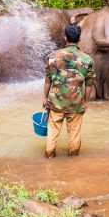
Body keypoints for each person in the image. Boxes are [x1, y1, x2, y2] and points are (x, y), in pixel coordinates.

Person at [43, 24, 95, 158]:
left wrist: (44, 98)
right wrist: (85, 102)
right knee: (74, 135)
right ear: (79, 39)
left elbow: (48, 80)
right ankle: (73, 161)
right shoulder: (87, 59)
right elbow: (89, 84)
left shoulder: (52, 56)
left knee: (52, 133)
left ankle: (49, 158)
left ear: (65, 37)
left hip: (55, 103)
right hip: (76, 104)